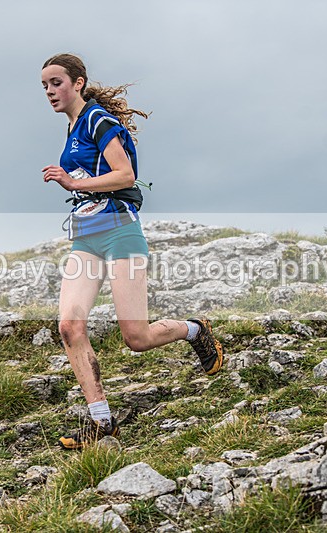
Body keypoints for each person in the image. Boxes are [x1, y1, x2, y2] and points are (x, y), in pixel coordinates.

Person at [40, 54, 224, 450]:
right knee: (69, 326)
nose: (50, 92)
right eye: (45, 86)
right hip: (86, 238)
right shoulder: (73, 127)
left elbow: (125, 174)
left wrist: (73, 183)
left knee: (136, 337)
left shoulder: (97, 121)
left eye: (56, 83)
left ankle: (195, 330)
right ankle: (102, 422)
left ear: (78, 82)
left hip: (120, 232)